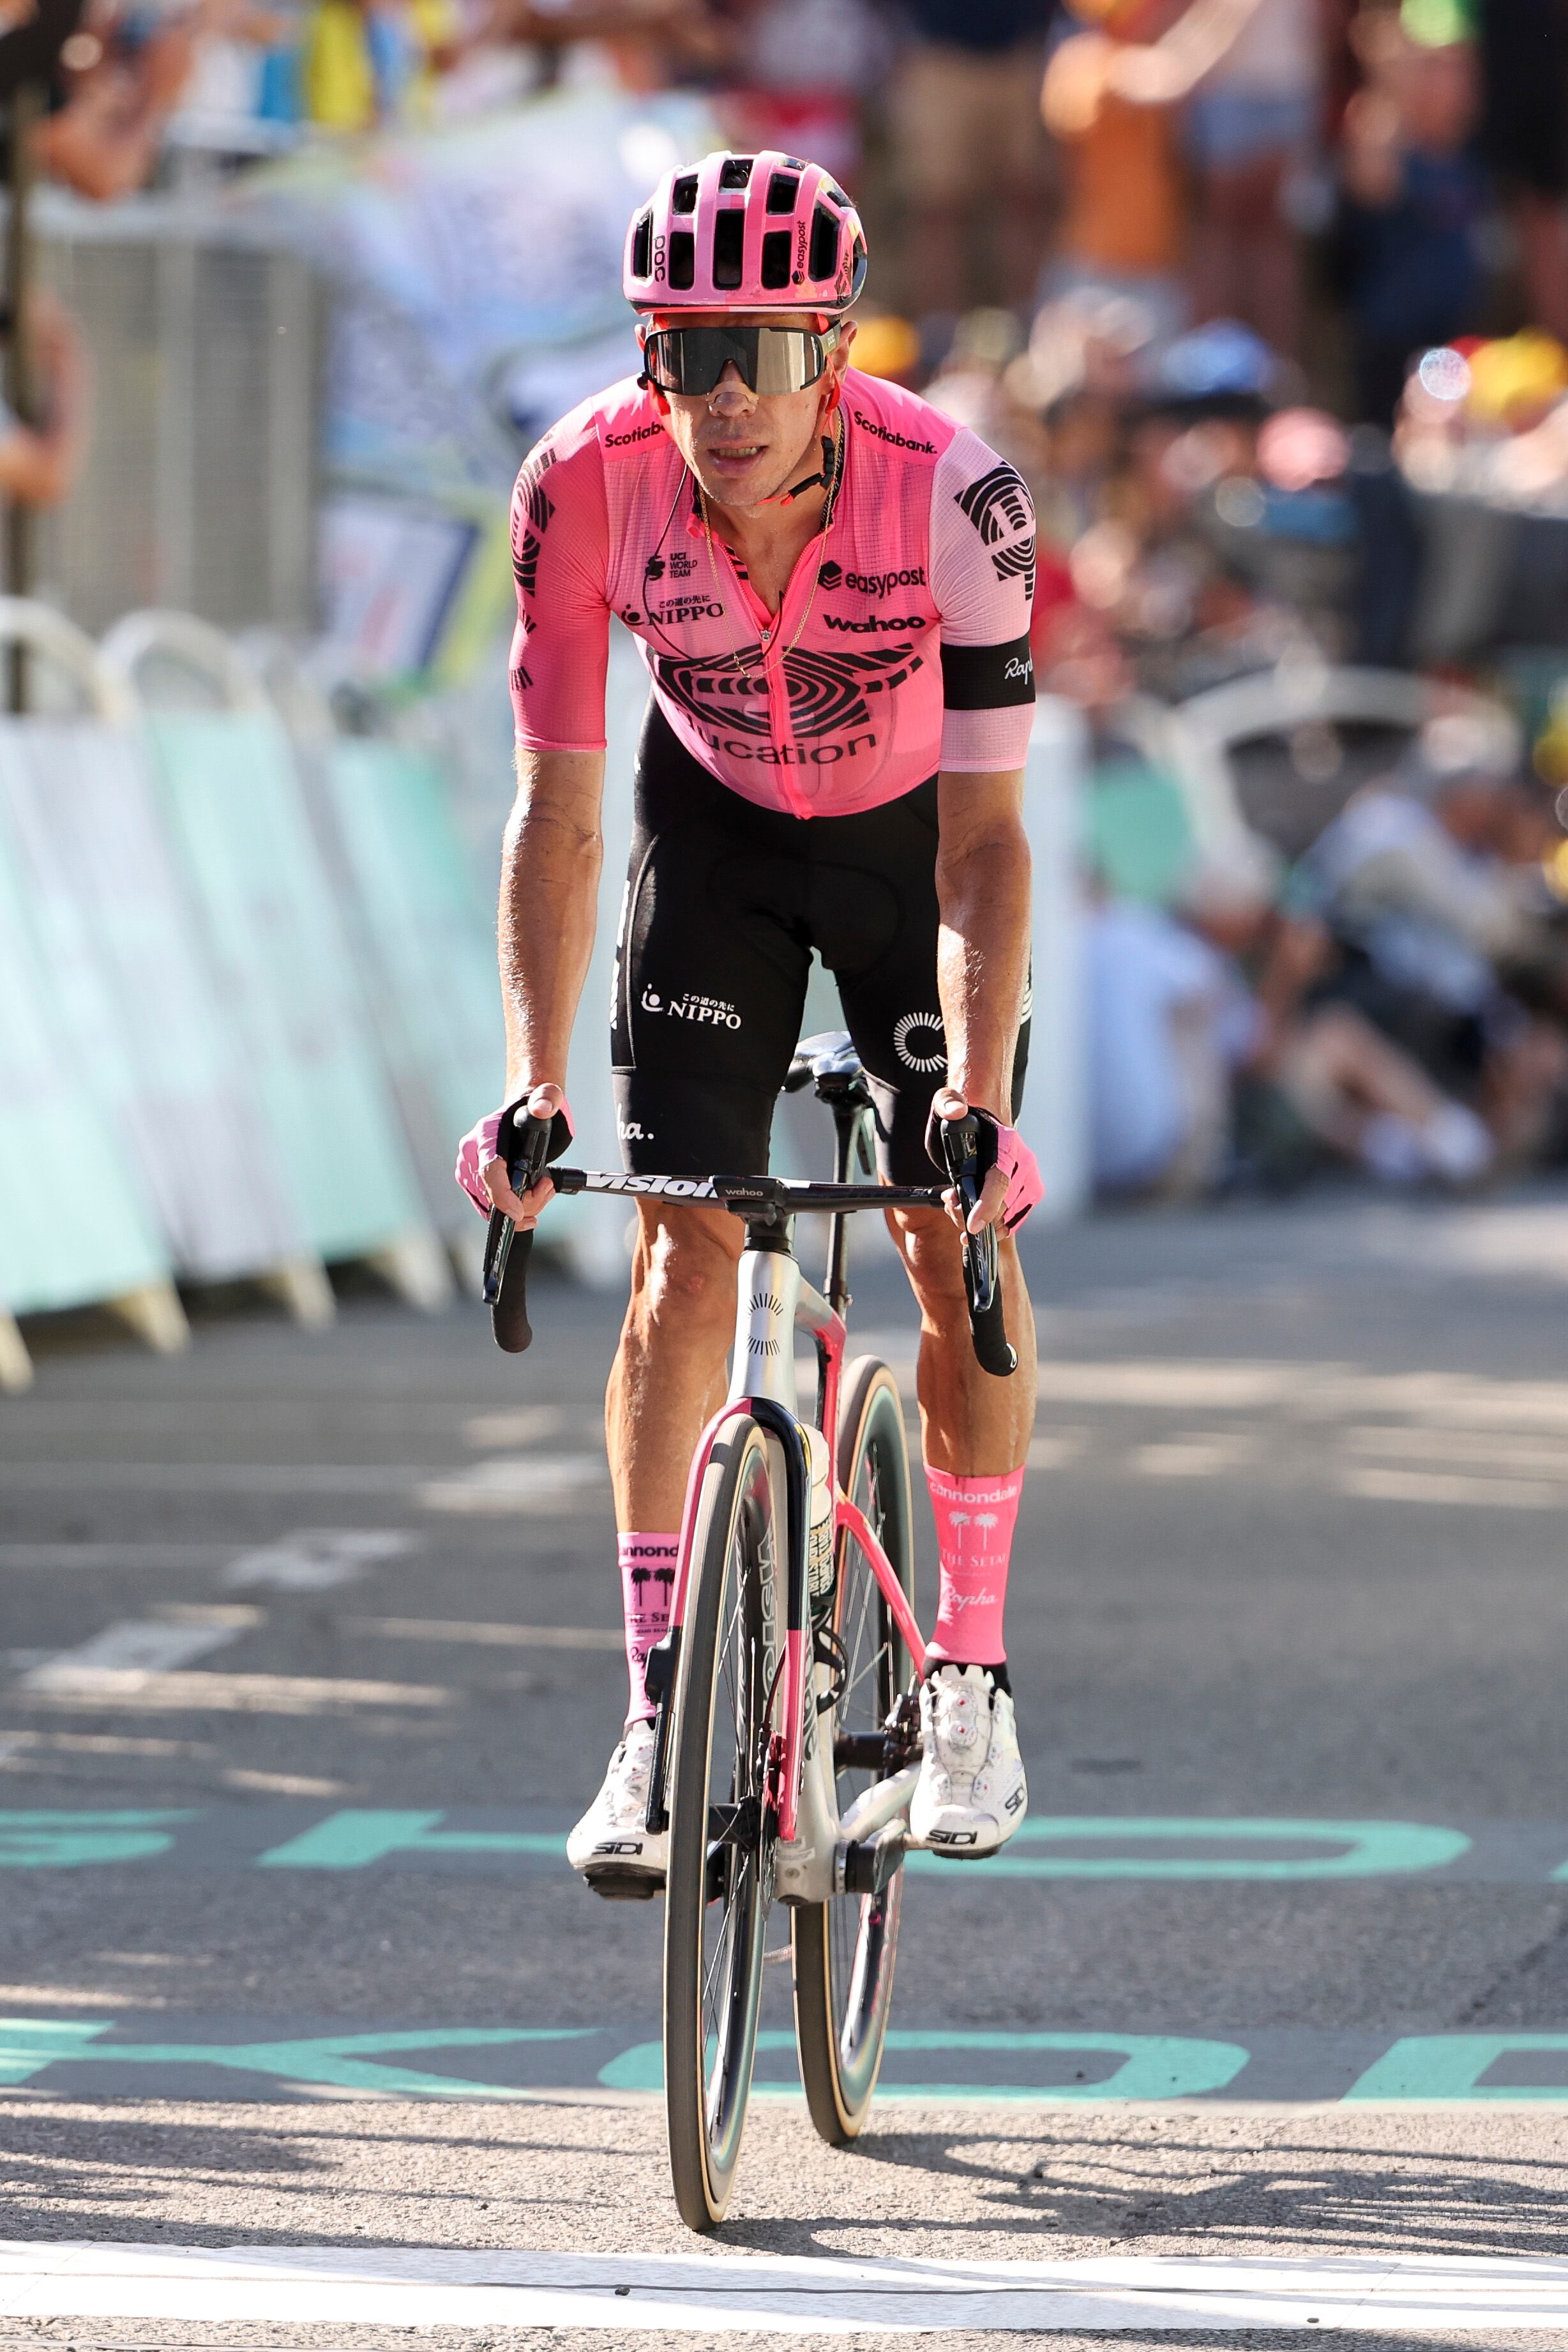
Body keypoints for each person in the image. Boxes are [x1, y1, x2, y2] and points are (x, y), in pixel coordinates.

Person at [455, 149, 1043, 1888]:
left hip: (908, 852)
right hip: (709, 833)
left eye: (762, 353)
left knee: (949, 1232)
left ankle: (971, 1679)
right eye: (685, 350)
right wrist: (529, 1083)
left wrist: (979, 1096)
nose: (721, 396)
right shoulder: (582, 484)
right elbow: (558, 816)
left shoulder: (957, 498)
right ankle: (655, 1710)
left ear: (833, 353)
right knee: (680, 1247)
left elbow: (989, 846)